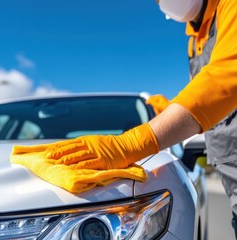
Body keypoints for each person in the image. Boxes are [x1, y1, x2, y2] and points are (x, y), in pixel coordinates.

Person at [17, 0, 237, 236]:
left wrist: (128, 143)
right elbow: (199, 92)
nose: (161, 2)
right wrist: (166, 108)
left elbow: (224, 78)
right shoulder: (194, 41)